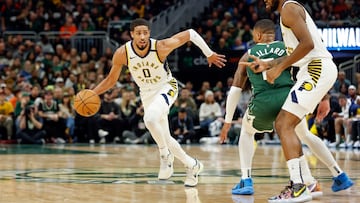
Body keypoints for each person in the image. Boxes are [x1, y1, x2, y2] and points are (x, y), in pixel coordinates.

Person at [221, 19, 354, 201]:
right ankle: (336, 175)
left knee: (246, 131)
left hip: (264, 102)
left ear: (257, 36)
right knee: (303, 135)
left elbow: (235, 91)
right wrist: (324, 96)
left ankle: (246, 180)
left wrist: (227, 122)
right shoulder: (289, 49)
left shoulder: (248, 55)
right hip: (290, 97)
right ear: (274, 35)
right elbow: (311, 69)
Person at [92, 18, 226, 187]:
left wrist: (209, 53)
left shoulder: (160, 47)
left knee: (149, 119)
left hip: (166, 87)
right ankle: (192, 165)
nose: (142, 36)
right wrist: (93, 93)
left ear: (149, 34)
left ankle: (165, 155)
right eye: (138, 33)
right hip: (146, 93)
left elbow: (191, 34)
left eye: (145, 33)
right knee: (166, 137)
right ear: (131, 34)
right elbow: (111, 79)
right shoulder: (122, 53)